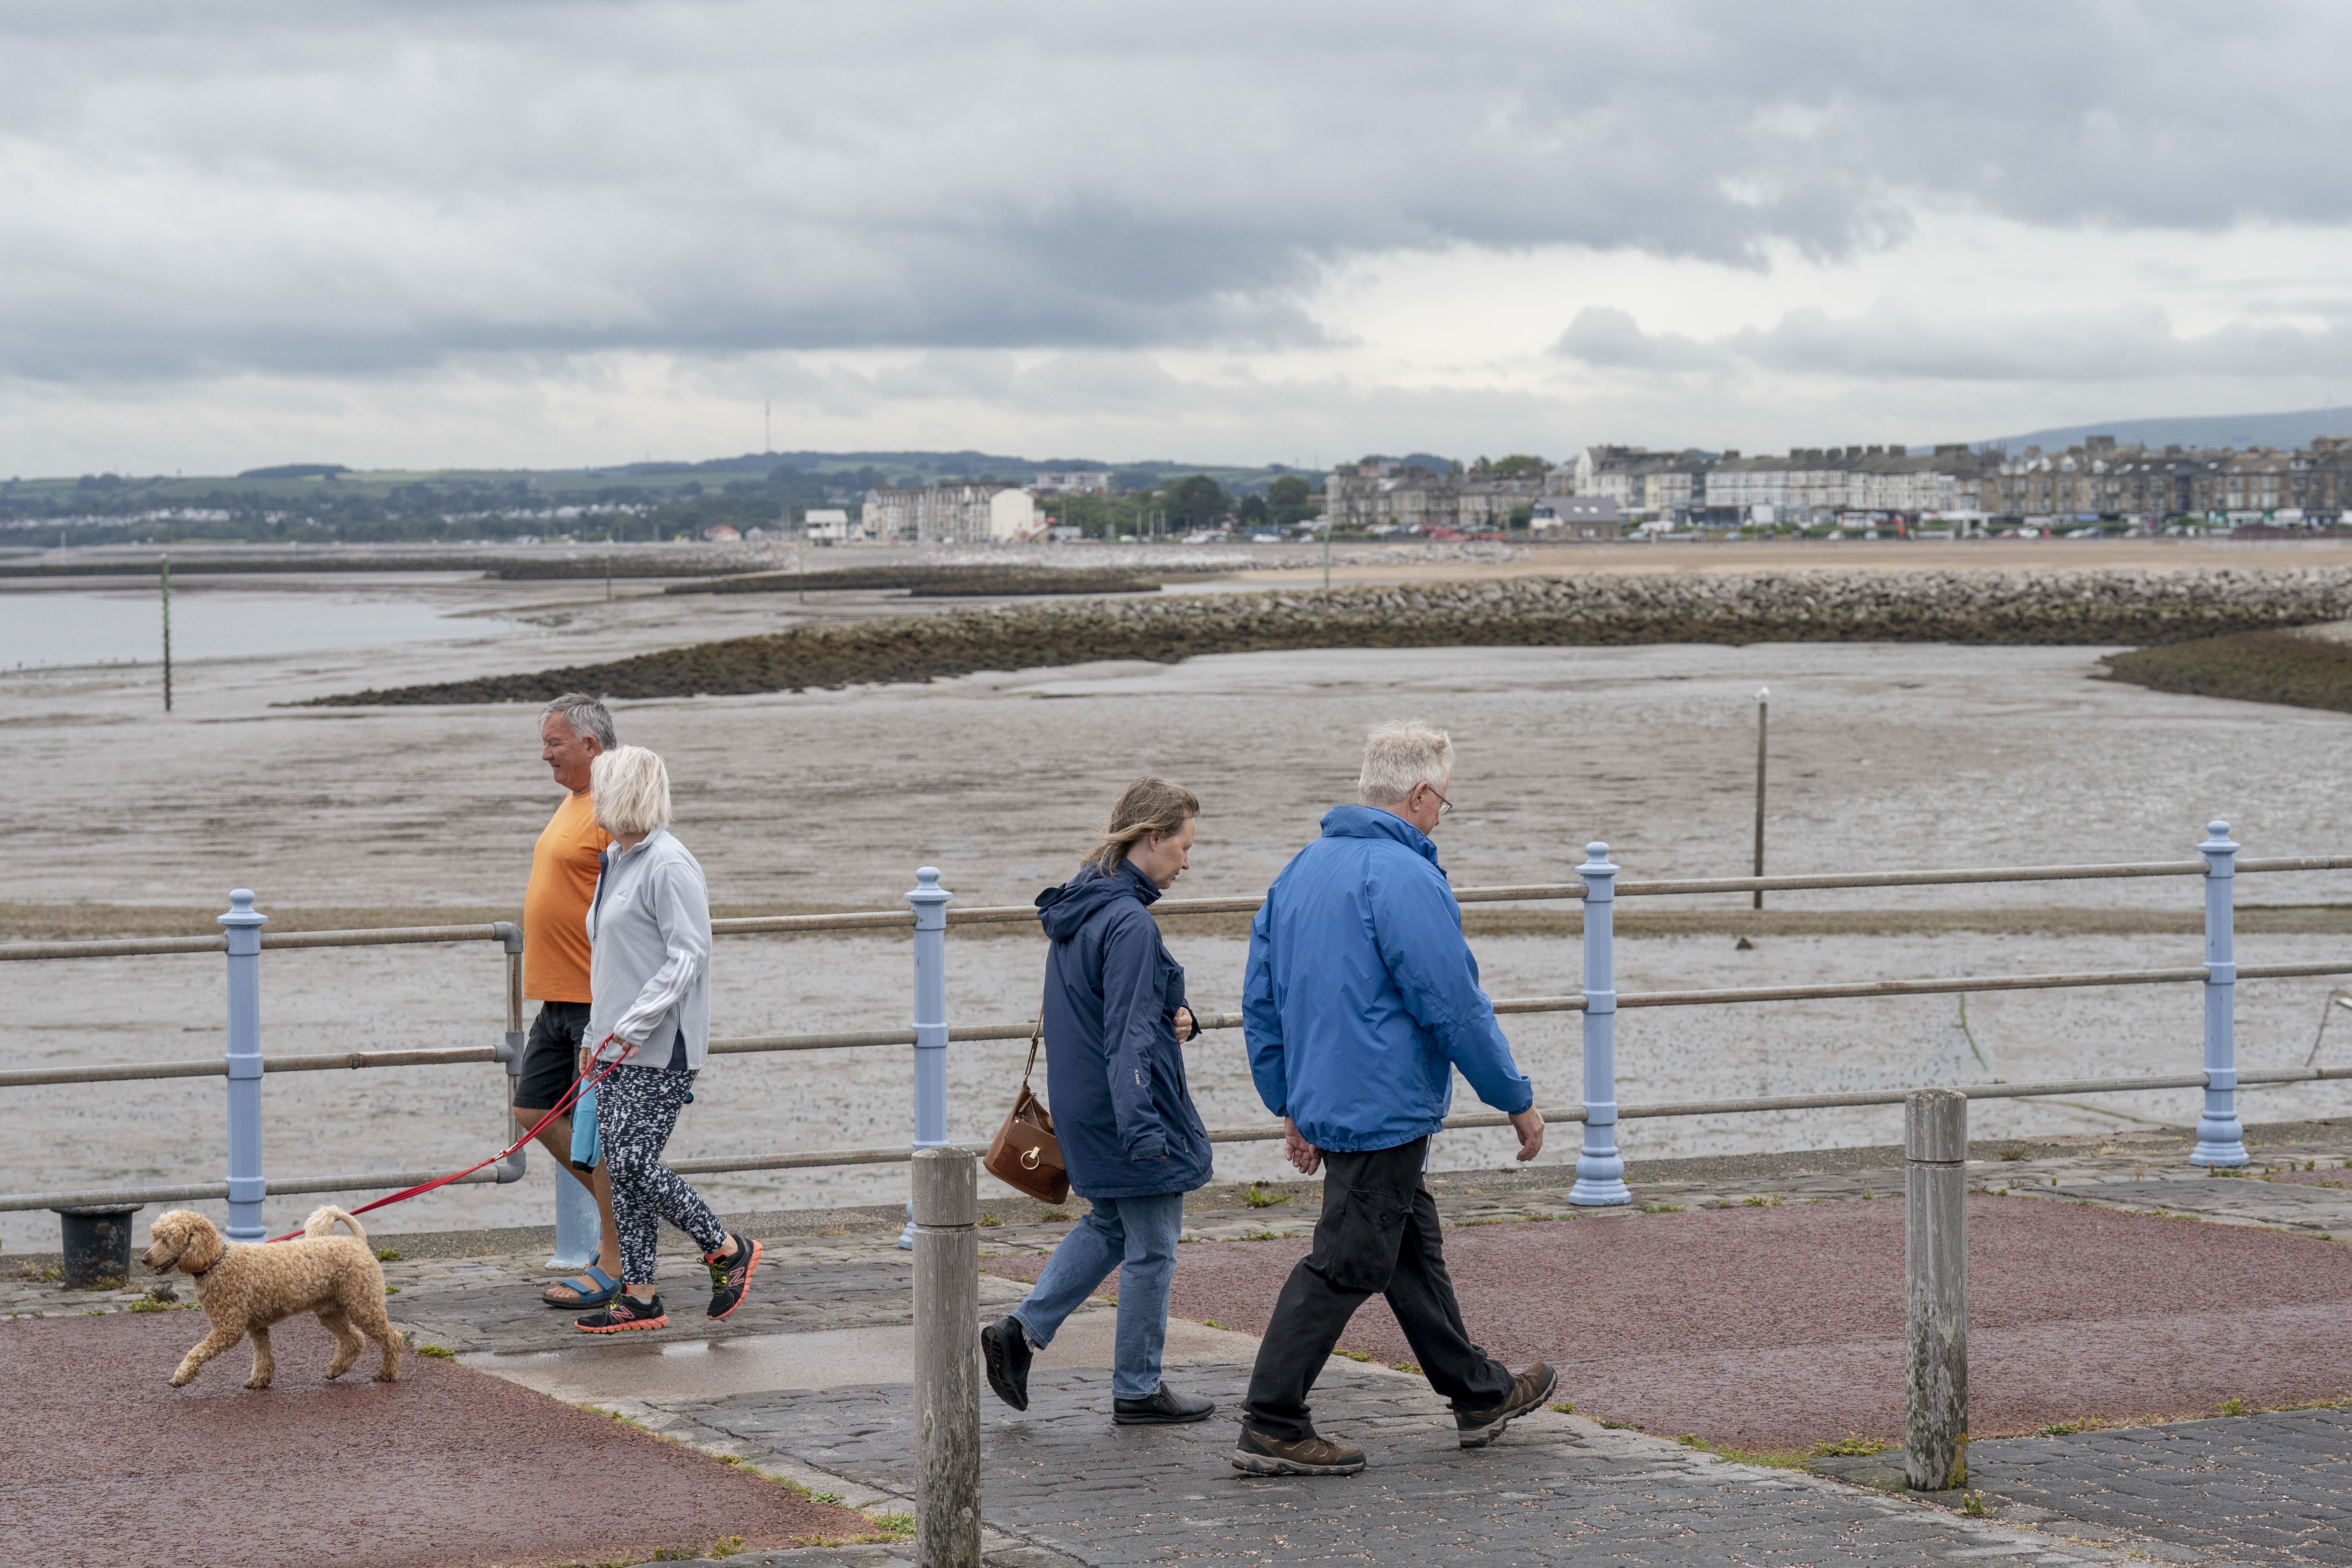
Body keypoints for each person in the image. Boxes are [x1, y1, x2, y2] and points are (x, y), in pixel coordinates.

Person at [1231, 720, 1556, 1476]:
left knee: (1409, 1250)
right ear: (1417, 794)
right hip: (1383, 1103)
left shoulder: (1299, 871)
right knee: (1347, 1261)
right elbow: (1453, 1004)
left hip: (1333, 1097)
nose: (1443, 814)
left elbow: (1263, 1002)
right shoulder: (1405, 877)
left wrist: (1290, 1100)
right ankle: (1273, 1418)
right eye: (1443, 800)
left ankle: (1479, 1393)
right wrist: (1515, 1097)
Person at [979, 777, 1216, 1426]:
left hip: (1082, 1102)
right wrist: (1144, 1128)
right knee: (1155, 1245)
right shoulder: (1131, 921)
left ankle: (1019, 1331)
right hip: (1126, 1107)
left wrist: (1181, 1009)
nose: (1188, 863)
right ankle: (1138, 1388)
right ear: (1151, 838)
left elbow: (1110, 1005)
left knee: (1113, 1223)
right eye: (1184, 846)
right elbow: (1129, 1035)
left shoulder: (1083, 905)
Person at [570, 744, 763, 1333]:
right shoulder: (615, 859)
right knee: (625, 1165)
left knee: (631, 1164)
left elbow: (688, 955)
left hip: (662, 1045)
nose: (593, 800)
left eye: (602, 788)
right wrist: (594, 1033)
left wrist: (629, 1028)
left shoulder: (670, 864)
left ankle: (727, 1247)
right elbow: (612, 961)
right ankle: (641, 1292)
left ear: (624, 792)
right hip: (614, 1046)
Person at [515, 693, 626, 1309]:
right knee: (532, 1110)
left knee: (601, 1138)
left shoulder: (614, 804)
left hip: (594, 1000)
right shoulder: (574, 800)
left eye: (555, 742)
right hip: (557, 996)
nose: (546, 753)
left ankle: (615, 1258)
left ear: (590, 745)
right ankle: (628, 1214)